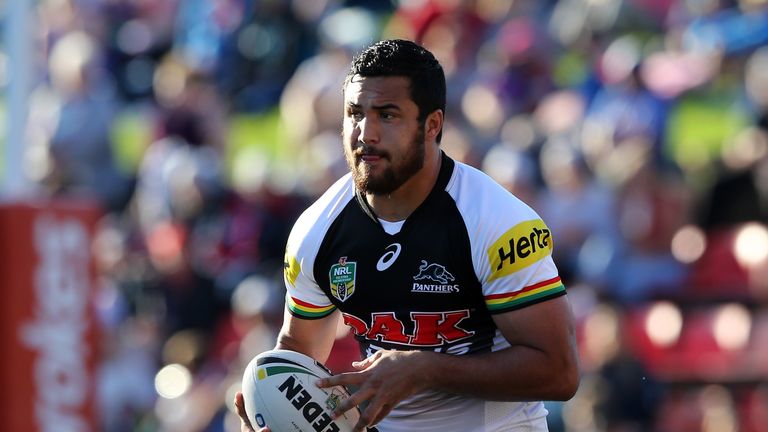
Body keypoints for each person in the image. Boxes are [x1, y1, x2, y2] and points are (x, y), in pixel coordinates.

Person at [234, 39, 580, 432]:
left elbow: (559, 372)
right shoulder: (317, 229)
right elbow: (298, 353)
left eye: (388, 115)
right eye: (355, 113)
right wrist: (275, 414)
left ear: (432, 125)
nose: (366, 133)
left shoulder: (497, 222)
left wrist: (425, 369)